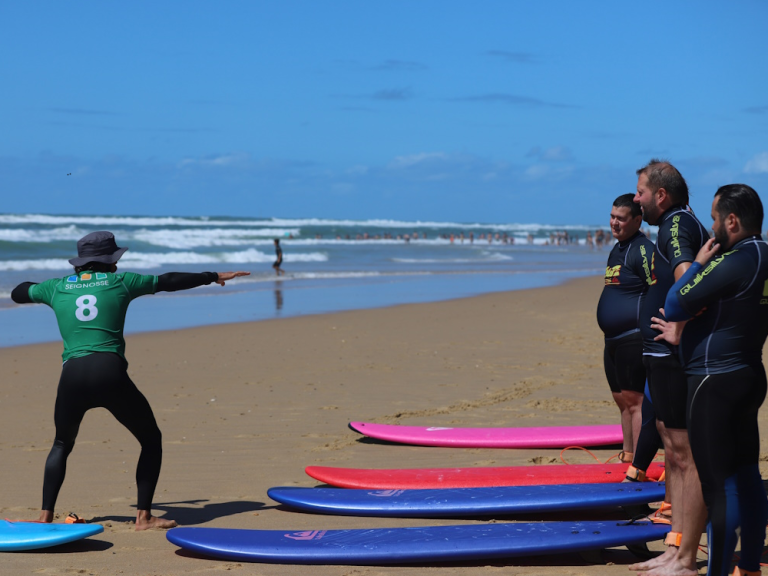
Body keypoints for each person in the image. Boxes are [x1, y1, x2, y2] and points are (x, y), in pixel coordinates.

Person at [10, 231, 250, 530]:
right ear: (111, 261)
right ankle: (144, 517)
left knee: (61, 444)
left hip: (71, 376)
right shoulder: (121, 282)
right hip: (109, 374)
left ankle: (44, 517)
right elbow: (168, 281)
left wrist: (41, 287)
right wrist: (211, 275)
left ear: (80, 263)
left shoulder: (56, 288)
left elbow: (18, 292)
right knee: (151, 440)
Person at [653, 184, 768, 576]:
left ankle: (717, 571)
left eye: (716, 218)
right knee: (749, 477)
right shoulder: (765, 256)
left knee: (720, 485)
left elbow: (673, 303)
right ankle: (749, 567)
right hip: (749, 374)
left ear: (732, 221)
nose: (712, 227)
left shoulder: (735, 258)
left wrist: (699, 262)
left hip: (712, 380)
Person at [629, 159, 708, 575]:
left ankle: (683, 557)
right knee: (673, 449)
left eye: (640, 191)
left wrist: (678, 324)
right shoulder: (678, 222)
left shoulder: (675, 225)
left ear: (661, 194)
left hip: (670, 355)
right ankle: (675, 547)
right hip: (662, 356)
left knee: (684, 453)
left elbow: (687, 278)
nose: (637, 198)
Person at [596, 194, 654, 462]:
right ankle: (628, 456)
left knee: (635, 402)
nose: (614, 223)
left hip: (633, 337)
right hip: (612, 340)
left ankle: (639, 465)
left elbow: (658, 287)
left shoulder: (642, 248)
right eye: (612, 217)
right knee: (622, 401)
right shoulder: (616, 248)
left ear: (637, 220)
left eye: (621, 218)